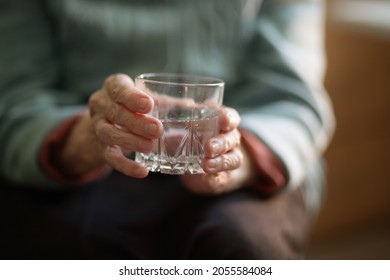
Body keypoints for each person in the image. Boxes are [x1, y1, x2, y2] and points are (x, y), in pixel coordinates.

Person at [0, 0, 335, 259]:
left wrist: (236, 157)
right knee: (79, 241)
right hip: (86, 157)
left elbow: (294, 102)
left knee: (240, 245)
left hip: (244, 155)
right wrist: (87, 137)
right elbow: (16, 102)